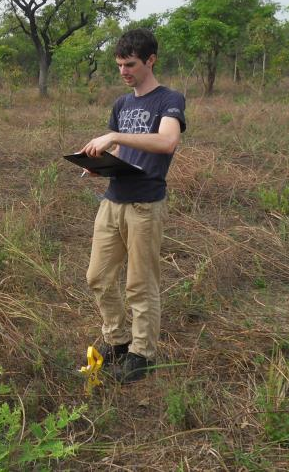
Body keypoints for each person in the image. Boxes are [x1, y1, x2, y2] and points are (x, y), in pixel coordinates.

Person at [80, 28, 186, 384]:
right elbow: (124, 152)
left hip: (145, 204)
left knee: (140, 284)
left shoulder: (169, 99)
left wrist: (113, 137)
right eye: (119, 65)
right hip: (113, 200)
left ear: (150, 60)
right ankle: (118, 340)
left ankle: (142, 352)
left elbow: (167, 141)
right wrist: (100, 164)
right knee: (97, 276)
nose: (124, 71)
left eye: (130, 64)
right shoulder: (122, 104)